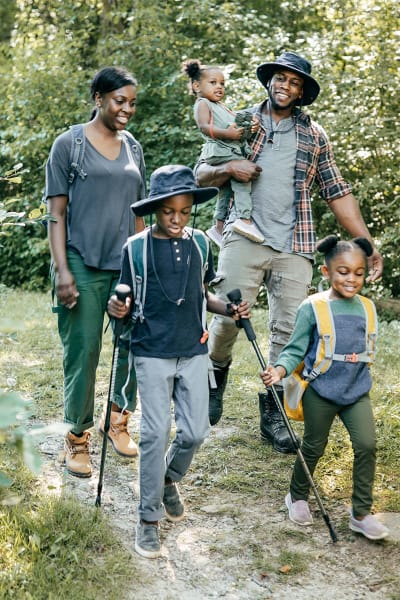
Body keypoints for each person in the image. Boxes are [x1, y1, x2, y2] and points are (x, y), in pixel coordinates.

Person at [195, 51, 384, 453]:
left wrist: (366, 244)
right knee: (228, 320)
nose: (285, 86)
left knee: (289, 331)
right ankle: (216, 374)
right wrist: (231, 170)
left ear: (302, 92)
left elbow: (337, 192)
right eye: (280, 78)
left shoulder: (315, 135)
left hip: (295, 243)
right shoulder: (239, 121)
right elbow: (202, 174)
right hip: (243, 236)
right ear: (269, 81)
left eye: (294, 82)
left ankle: (275, 413)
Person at [108, 164, 251, 558]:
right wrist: (116, 307)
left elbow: (204, 295)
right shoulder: (134, 248)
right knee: (154, 435)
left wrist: (229, 310)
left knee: (196, 432)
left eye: (185, 211)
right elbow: (120, 300)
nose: (177, 219)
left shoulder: (201, 243)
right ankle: (148, 518)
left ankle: (168, 479)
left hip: (193, 350)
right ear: (156, 209)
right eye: (169, 211)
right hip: (151, 351)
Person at [46, 66, 146, 478]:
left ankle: (117, 421)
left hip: (124, 266)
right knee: (84, 354)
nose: (126, 109)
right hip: (82, 266)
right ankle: (77, 437)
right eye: (119, 101)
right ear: (99, 99)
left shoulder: (134, 148)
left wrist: (142, 268)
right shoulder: (68, 145)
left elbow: (140, 214)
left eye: (132, 103)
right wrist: (62, 270)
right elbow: (56, 215)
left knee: (133, 346)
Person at [260, 235, 389, 541]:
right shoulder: (313, 308)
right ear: (325, 272)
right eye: (343, 271)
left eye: (358, 273)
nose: (351, 279)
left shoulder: (368, 308)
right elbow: (294, 348)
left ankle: (361, 514)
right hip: (321, 389)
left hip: (356, 391)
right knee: (314, 446)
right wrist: (279, 369)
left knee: (367, 445)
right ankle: (298, 496)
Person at [182, 58, 263, 247]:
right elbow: (204, 127)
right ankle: (244, 219)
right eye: (213, 83)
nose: (219, 87)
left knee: (225, 191)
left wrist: (252, 126)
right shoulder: (203, 103)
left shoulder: (221, 107)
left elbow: (237, 124)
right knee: (242, 178)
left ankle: (218, 227)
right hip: (219, 151)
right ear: (196, 86)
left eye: (222, 84)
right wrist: (227, 133)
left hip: (226, 149)